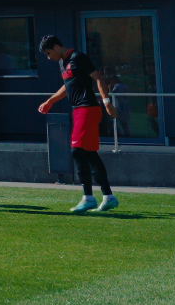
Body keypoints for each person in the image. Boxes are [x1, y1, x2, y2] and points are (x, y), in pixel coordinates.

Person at [38, 35, 117, 212]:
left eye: (49, 53)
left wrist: (106, 102)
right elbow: (68, 86)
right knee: (89, 154)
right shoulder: (62, 62)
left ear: (57, 46)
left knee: (76, 151)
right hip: (79, 110)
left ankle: (88, 198)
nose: (49, 58)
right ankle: (108, 196)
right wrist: (50, 101)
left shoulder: (78, 58)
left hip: (88, 109)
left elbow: (98, 78)